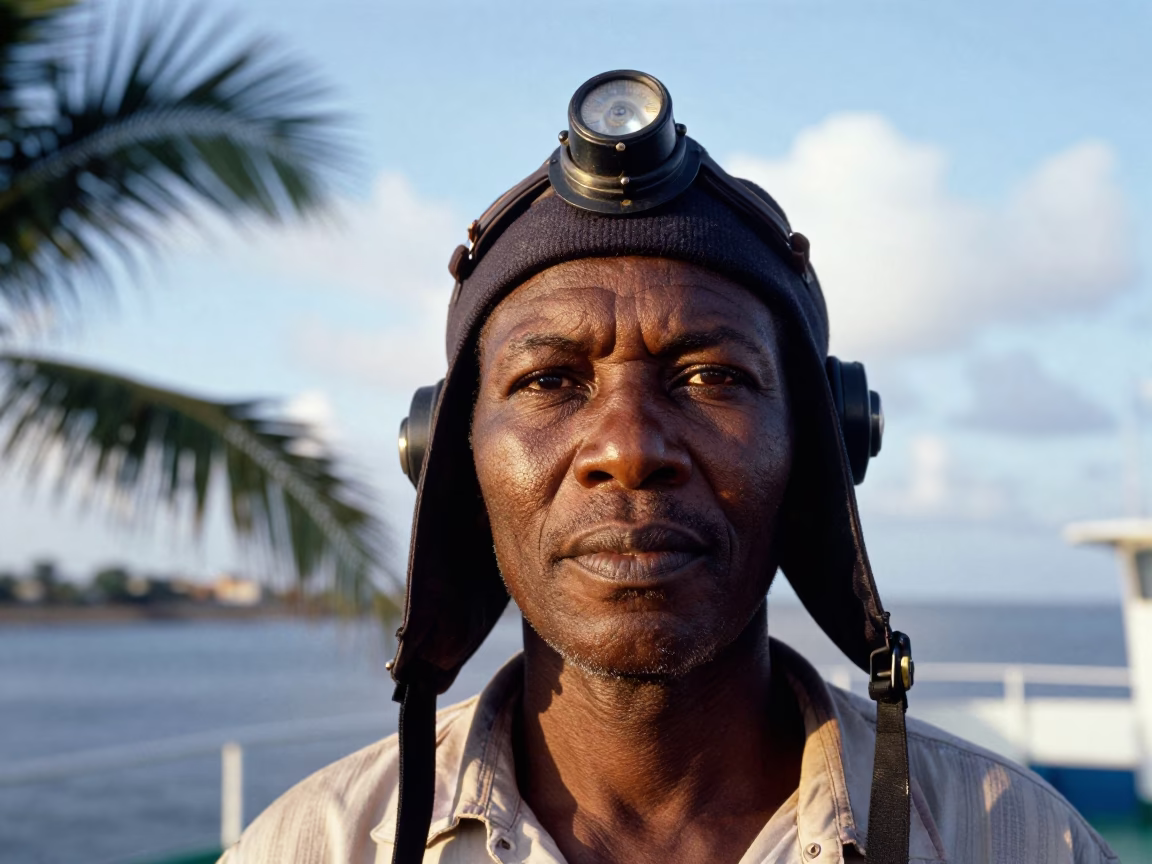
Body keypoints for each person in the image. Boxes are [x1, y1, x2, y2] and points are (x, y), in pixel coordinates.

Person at [219, 71, 1116, 864]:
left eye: (711, 377)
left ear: (821, 451)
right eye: (549, 381)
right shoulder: (309, 847)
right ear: (447, 457)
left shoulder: (1022, 841)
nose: (629, 448)